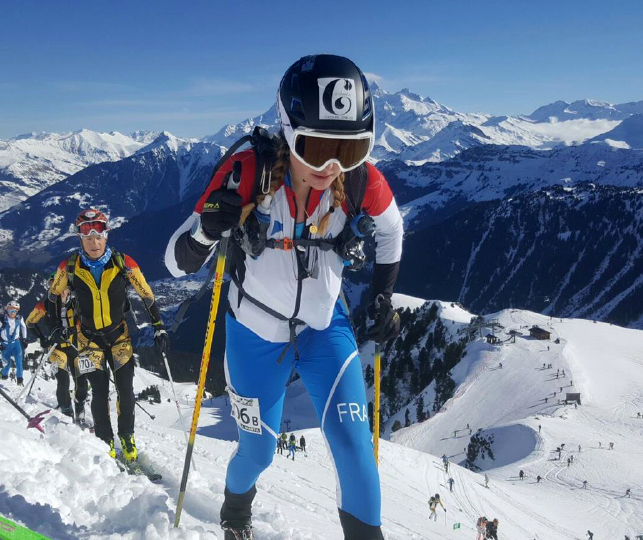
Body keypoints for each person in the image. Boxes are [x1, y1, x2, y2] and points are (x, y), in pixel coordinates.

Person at [166, 55, 402, 540]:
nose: (332, 165)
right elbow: (174, 260)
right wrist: (208, 232)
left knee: (357, 448)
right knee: (257, 452)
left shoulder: (359, 182)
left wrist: (382, 295)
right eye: (316, 147)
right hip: (254, 333)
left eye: (350, 148)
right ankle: (235, 513)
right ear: (288, 131)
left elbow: (392, 233)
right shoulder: (245, 173)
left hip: (324, 327)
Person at [48, 208, 169, 462]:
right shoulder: (68, 267)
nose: (94, 241)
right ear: (79, 237)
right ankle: (105, 441)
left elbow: (146, 294)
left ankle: (127, 437)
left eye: (98, 234)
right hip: (87, 339)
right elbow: (52, 296)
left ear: (107, 235)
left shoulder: (123, 263)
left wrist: (158, 326)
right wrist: (56, 325)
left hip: (119, 337)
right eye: (87, 234)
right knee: (100, 392)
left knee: (126, 391)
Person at [27, 285, 88, 421]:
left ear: (69, 290)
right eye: (57, 287)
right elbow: (30, 322)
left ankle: (79, 404)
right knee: (63, 380)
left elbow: (85, 320)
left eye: (64, 288)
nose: (61, 291)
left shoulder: (75, 304)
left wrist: (74, 330)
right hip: (56, 348)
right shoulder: (46, 305)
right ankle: (66, 408)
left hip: (75, 346)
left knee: (82, 382)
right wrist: (42, 338)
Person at [0, 301, 27, 385]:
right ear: (7, 310)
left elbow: (23, 327)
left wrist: (24, 338)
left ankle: (20, 380)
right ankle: (3, 377)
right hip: (5, 344)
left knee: (19, 362)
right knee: (6, 364)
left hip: (16, 343)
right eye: (11, 310)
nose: (13, 313)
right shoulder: (2, 319)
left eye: (15, 311)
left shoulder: (19, 318)